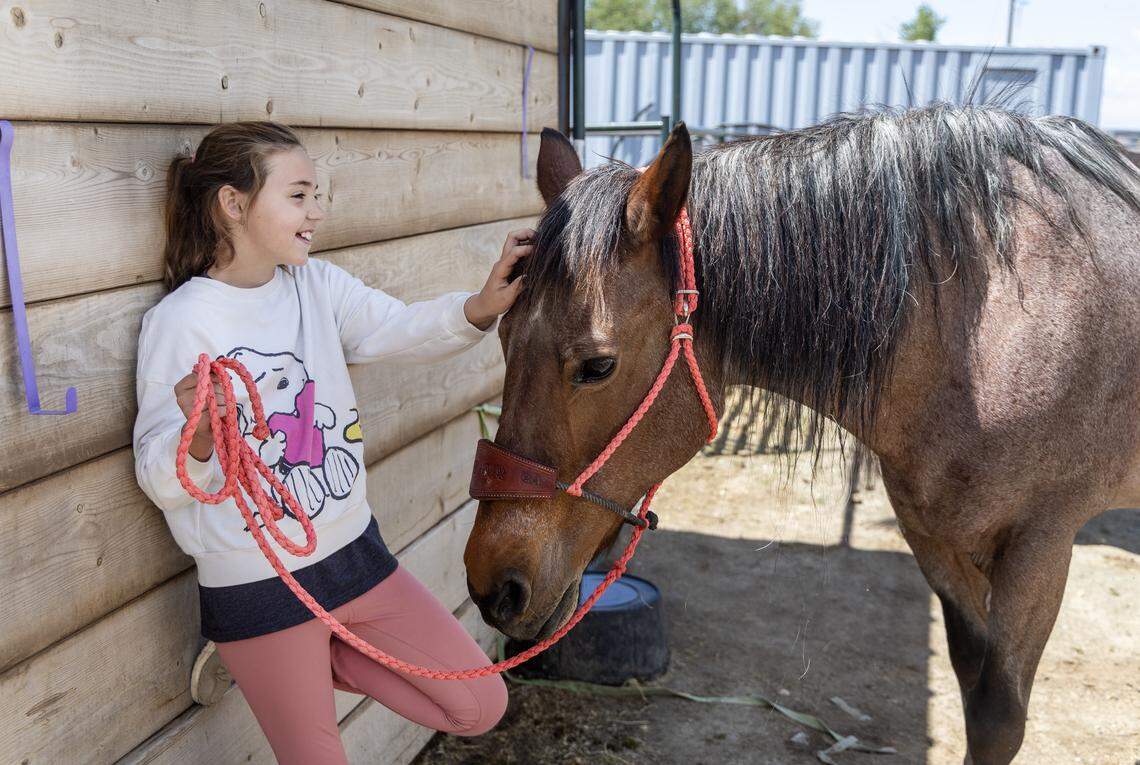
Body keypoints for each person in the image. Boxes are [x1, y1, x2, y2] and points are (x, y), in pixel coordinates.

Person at [132, 121, 529, 764]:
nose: (316, 211)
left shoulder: (316, 285)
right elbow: (158, 473)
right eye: (299, 195)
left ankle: (315, 658)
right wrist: (198, 438)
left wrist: (482, 307)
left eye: (318, 194)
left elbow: (397, 328)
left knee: (480, 703)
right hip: (260, 585)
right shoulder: (182, 321)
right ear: (234, 204)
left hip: (355, 558)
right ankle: (268, 660)